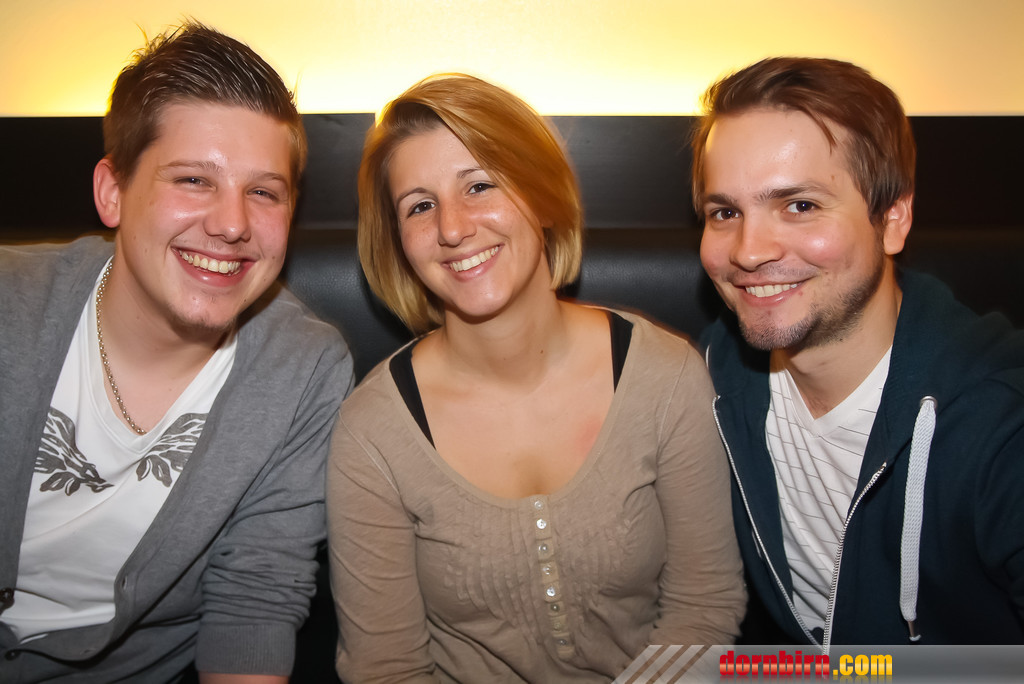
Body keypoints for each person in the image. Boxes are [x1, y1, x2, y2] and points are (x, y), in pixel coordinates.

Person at [327, 73, 745, 681]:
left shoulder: (666, 377)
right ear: (398, 242)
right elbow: (386, 668)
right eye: (420, 206)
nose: (452, 228)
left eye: (480, 185)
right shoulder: (372, 434)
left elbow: (702, 607)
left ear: (543, 196)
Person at [0, 22, 353, 681]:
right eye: (193, 179)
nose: (232, 224)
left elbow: (254, 600)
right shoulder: (10, 307)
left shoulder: (303, 370)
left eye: (263, 192)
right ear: (113, 192)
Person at [693, 56, 1024, 647]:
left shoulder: (1001, 420)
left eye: (800, 206)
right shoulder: (710, 378)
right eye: (726, 212)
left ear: (892, 220)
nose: (748, 250)